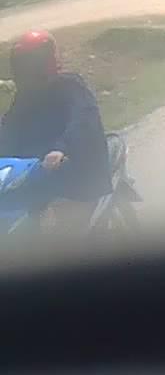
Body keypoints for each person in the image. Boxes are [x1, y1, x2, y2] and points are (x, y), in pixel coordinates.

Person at [0, 30, 112, 231]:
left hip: (78, 173)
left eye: (33, 62)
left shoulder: (70, 85)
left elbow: (82, 118)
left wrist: (61, 148)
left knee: (65, 236)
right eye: (23, 64)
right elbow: (9, 128)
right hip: (37, 176)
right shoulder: (25, 96)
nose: (28, 69)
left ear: (48, 61)